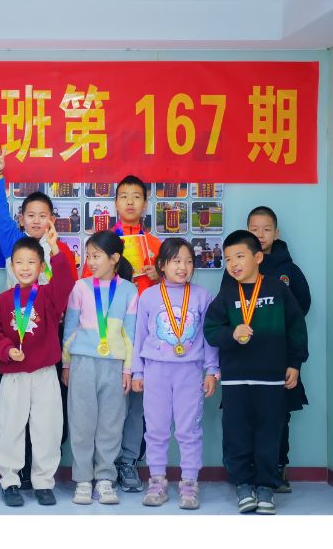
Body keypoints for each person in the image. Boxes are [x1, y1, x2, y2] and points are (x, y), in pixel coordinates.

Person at [0, 145, 77, 489]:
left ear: (52, 218)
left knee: (47, 416)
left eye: (43, 215)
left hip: (48, 337)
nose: (37, 221)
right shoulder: (15, 241)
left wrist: (54, 249)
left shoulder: (58, 250)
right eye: (31, 215)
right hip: (15, 337)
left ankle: (42, 474)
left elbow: (68, 289)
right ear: (22, 218)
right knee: (14, 414)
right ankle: (17, 473)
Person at [204, 230, 307, 515]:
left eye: (240, 256)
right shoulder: (227, 293)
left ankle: (265, 487)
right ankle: (243, 485)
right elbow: (211, 329)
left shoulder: (277, 289)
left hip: (271, 378)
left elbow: (296, 327)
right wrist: (231, 333)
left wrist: (295, 363)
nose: (233, 264)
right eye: (228, 259)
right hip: (236, 380)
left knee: (269, 434)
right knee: (236, 434)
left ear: (258, 257)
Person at [80, 175, 162, 493]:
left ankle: (128, 460)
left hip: (145, 336)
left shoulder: (157, 246)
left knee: (137, 403)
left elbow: (173, 291)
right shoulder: (100, 245)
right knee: (107, 404)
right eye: (124, 196)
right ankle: (105, 465)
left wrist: (159, 275)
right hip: (108, 336)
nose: (130, 201)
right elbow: (85, 289)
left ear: (145, 203)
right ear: (115, 202)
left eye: (136, 196)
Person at [223, 206, 311, 493]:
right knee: (243, 419)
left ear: (276, 233)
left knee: (277, 417)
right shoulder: (235, 269)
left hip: (277, 358)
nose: (260, 234)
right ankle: (246, 474)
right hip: (242, 361)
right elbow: (224, 310)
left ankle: (276, 468)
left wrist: (277, 329)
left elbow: (301, 309)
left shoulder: (288, 270)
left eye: (266, 229)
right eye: (254, 229)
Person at [131, 238, 219, 510]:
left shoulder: (202, 296)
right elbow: (139, 336)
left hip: (190, 371)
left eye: (189, 261)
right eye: (176, 261)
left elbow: (210, 337)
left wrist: (212, 370)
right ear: (162, 265)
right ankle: (157, 481)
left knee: (188, 429)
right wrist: (137, 371)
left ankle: (189, 483)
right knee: (156, 429)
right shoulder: (148, 296)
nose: (183, 267)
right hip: (155, 370)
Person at [62, 231, 138, 506]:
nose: (90, 261)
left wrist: (128, 370)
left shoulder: (129, 290)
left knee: (111, 424)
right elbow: (70, 329)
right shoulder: (80, 287)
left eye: (96, 256)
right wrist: (67, 364)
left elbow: (131, 334)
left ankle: (105, 478)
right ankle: (83, 479)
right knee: (81, 422)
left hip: (115, 365)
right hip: (82, 362)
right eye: (88, 256)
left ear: (114, 258)